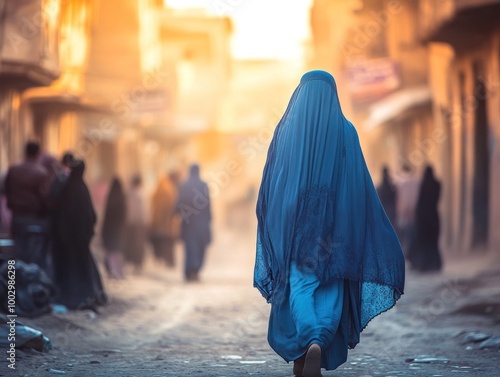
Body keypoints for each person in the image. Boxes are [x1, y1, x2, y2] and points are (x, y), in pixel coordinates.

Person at [254, 70, 405, 377]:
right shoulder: (346, 131)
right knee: (332, 286)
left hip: (297, 226)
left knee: (300, 284)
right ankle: (318, 341)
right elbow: (359, 185)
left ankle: (308, 339)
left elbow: (273, 184)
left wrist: (276, 225)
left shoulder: (287, 131)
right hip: (338, 224)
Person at [52, 159, 107, 309]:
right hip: (80, 240)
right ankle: (85, 295)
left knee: (69, 268)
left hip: (67, 239)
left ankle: (70, 296)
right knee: (82, 268)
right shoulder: (82, 189)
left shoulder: (66, 188)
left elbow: (59, 212)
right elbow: (91, 216)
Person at [4, 141, 50, 270]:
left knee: (16, 254)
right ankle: (33, 284)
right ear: (38, 154)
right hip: (35, 220)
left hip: (17, 218)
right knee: (35, 257)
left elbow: (7, 191)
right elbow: (45, 198)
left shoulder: (13, 170)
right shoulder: (41, 173)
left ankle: (13, 285)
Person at [177, 164, 211, 282]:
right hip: (201, 223)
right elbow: (208, 205)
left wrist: (176, 214)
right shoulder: (203, 185)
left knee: (190, 247)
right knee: (200, 247)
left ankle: (189, 270)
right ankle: (196, 270)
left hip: (188, 223)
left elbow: (179, 203)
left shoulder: (183, 185)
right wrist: (209, 219)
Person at [407, 165, 442, 272]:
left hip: (423, 219)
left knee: (424, 243)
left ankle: (424, 264)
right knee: (433, 242)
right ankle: (434, 264)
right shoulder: (437, 185)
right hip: (434, 217)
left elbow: (420, 202)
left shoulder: (422, 185)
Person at [150, 171, 179, 267]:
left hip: (162, 222)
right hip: (168, 223)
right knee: (168, 242)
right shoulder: (169, 190)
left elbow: (155, 206)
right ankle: (169, 261)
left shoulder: (161, 191)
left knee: (164, 242)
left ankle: (166, 260)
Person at [101, 177, 127, 279]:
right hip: (119, 229)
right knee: (118, 251)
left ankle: (113, 271)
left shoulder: (111, 198)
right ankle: (119, 270)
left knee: (111, 250)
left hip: (110, 229)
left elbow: (107, 215)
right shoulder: (122, 199)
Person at [124, 174, 148, 272]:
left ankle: (134, 262)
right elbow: (143, 210)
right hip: (139, 223)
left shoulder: (128, 193)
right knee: (138, 244)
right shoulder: (140, 194)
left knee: (133, 243)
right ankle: (138, 263)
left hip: (130, 223)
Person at [395, 163, 420, 255]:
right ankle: (411, 253)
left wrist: (401, 212)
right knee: (412, 234)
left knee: (402, 233)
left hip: (404, 212)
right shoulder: (417, 181)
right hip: (415, 212)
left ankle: (404, 252)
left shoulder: (401, 182)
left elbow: (403, 199)